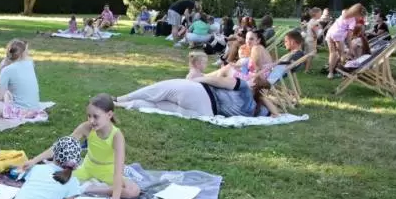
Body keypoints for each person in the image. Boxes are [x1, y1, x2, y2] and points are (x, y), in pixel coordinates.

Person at [23, 94, 140, 199]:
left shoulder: (116, 136)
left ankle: (90, 189)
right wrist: (34, 160)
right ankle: (87, 186)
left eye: (96, 116)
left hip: (108, 171)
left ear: (109, 115)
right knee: (53, 179)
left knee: (133, 191)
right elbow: (61, 146)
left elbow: (118, 171)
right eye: (89, 116)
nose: (91, 120)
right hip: (87, 168)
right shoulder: (86, 127)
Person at [114, 74, 281, 118]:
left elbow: (216, 81)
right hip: (206, 113)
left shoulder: (243, 86)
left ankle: (120, 99)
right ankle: (120, 105)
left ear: (253, 84)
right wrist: (262, 97)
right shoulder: (256, 110)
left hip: (203, 94)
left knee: (159, 90)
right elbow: (276, 114)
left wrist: (195, 80)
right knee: (159, 107)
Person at [0, 39, 42, 118]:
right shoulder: (30, 63)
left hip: (18, 110)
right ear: (23, 53)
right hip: (34, 107)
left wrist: (1, 68)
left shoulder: (7, 70)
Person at [326, 4, 367, 78]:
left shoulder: (345, 13)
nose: (361, 19)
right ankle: (343, 73)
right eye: (361, 17)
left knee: (332, 53)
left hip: (330, 33)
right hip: (338, 35)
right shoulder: (352, 21)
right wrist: (350, 48)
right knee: (342, 55)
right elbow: (349, 36)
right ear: (357, 14)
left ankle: (330, 73)